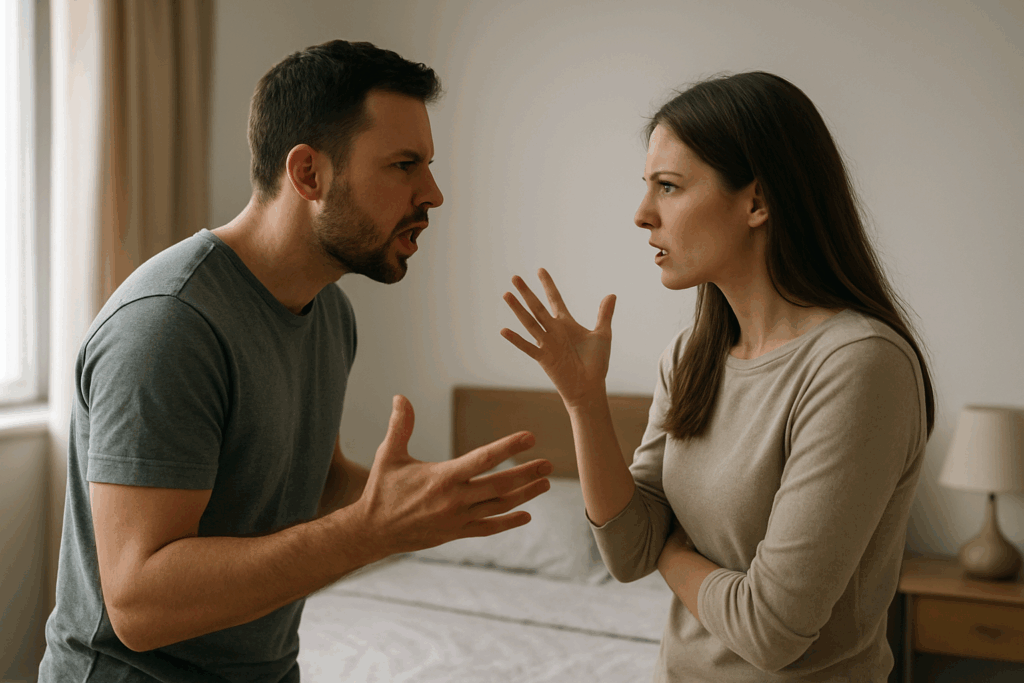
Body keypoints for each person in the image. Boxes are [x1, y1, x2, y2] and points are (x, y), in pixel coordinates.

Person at [39, 40, 552, 683]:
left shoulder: (327, 311)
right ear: (308, 173)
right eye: (403, 165)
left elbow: (310, 482)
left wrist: (421, 498)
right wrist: (370, 531)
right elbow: (141, 604)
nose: (434, 193)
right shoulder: (169, 325)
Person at [501, 71, 934, 681]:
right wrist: (583, 400)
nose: (641, 214)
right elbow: (628, 552)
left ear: (757, 201)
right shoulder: (692, 356)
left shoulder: (859, 365)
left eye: (669, 187)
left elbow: (771, 629)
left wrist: (672, 550)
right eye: (647, 187)